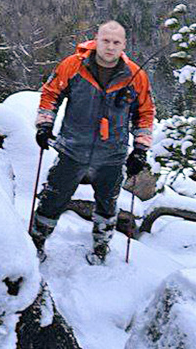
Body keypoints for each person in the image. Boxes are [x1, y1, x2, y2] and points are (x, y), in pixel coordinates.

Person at [30, 20, 154, 264]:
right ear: (96, 40)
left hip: (112, 155)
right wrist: (44, 124)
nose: (109, 47)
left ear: (124, 45)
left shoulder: (136, 76)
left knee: (107, 205)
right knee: (52, 199)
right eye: (105, 41)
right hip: (72, 149)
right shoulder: (73, 65)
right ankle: (35, 243)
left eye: (116, 42)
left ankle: (101, 246)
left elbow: (145, 113)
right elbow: (51, 93)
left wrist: (140, 149)